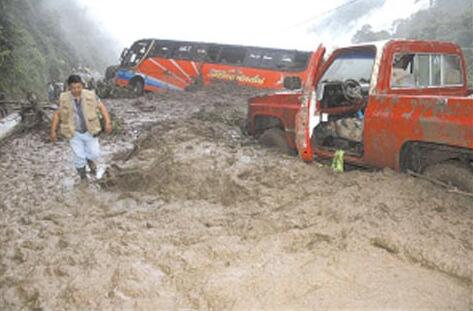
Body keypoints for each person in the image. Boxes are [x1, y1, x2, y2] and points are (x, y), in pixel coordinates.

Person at [50, 74, 112, 182]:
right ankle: (83, 177)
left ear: (82, 86)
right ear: (69, 87)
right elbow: (57, 114)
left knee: (95, 153)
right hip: (74, 132)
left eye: (78, 87)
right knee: (78, 157)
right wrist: (53, 131)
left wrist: (108, 122)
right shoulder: (64, 98)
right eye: (73, 88)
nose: (76, 90)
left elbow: (102, 107)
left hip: (90, 131)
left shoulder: (91, 95)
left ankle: (89, 159)